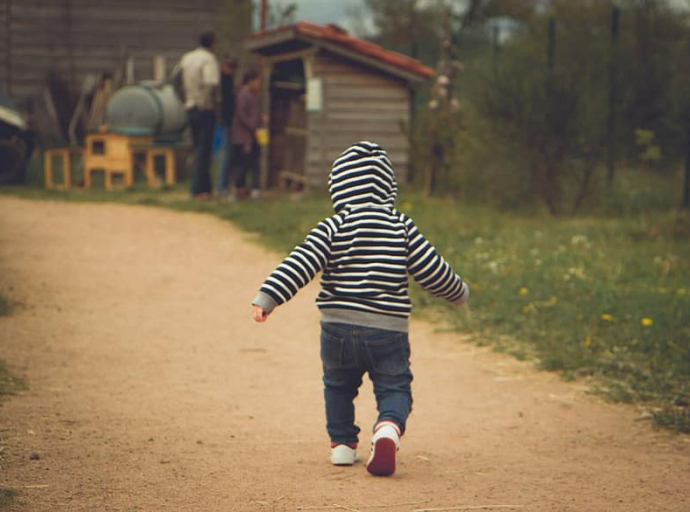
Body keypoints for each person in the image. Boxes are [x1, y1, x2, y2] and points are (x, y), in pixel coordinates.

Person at [251, 141, 470, 476]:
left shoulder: (334, 226)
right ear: (388, 187)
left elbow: (301, 262)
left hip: (337, 329)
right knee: (394, 387)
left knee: (337, 385)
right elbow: (432, 269)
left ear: (338, 186)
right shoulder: (401, 226)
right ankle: (387, 428)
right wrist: (458, 293)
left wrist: (269, 297)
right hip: (388, 332)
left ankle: (341, 445)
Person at [179, 31, 220, 199]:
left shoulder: (187, 58)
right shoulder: (208, 59)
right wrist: (208, 103)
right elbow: (211, 83)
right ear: (212, 44)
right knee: (205, 149)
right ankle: (198, 189)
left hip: (190, 106)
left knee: (197, 147)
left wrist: (185, 99)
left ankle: (205, 188)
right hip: (204, 108)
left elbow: (176, 80)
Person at [230, 70, 263, 200]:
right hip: (244, 137)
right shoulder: (244, 94)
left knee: (252, 162)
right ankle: (238, 189)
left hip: (251, 135)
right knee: (243, 164)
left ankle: (251, 188)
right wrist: (253, 125)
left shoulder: (251, 95)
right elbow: (242, 114)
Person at [216, 55, 237, 197]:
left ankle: (225, 185)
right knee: (227, 155)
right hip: (227, 121)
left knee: (229, 155)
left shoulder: (227, 81)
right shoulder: (224, 82)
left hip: (228, 121)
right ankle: (222, 186)